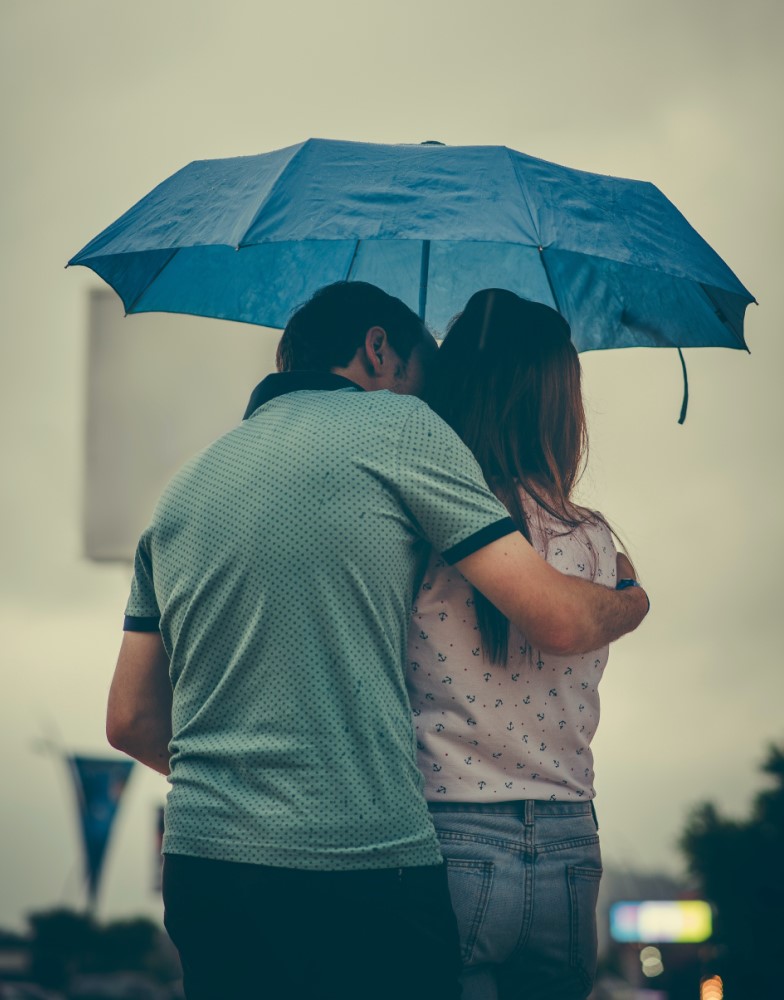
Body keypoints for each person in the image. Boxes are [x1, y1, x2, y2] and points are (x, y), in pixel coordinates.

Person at [106, 281, 648, 1000]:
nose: (435, 404)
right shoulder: (402, 431)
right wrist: (630, 598)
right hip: (362, 861)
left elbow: (130, 721)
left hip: (204, 864)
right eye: (426, 378)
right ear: (378, 349)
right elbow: (555, 618)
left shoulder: (181, 492)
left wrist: (244, 789)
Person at [407, 288, 640, 1000]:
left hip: (450, 833)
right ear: (558, 405)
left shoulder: (423, 531)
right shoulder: (593, 539)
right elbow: (620, 605)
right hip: (571, 839)